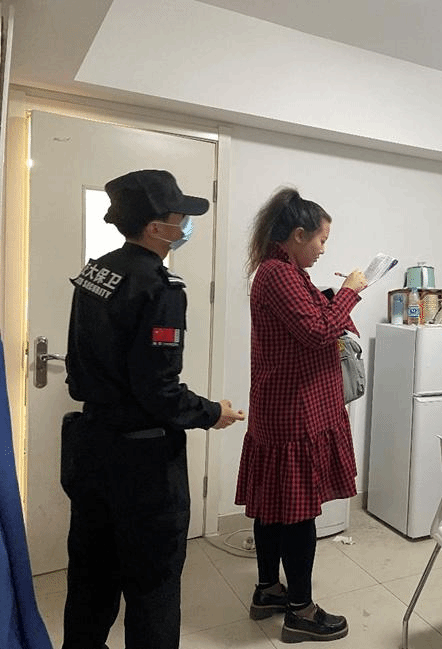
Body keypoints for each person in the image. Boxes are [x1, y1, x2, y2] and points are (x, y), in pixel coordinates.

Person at [61, 169, 245, 649]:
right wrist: (212, 412)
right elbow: (159, 390)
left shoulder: (96, 272)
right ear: (154, 226)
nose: (184, 225)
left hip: (91, 449)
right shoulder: (159, 288)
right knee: (153, 589)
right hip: (142, 463)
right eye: (178, 216)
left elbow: (79, 364)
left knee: (90, 580)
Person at [235, 187, 367, 644]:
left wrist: (334, 299)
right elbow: (317, 331)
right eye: (321, 240)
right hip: (295, 412)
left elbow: (311, 323)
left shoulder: (281, 271)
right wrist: (349, 293)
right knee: (297, 514)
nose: (323, 249)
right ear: (297, 234)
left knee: (274, 507)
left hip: (281, 408)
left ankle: (268, 590)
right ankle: (300, 611)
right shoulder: (279, 274)